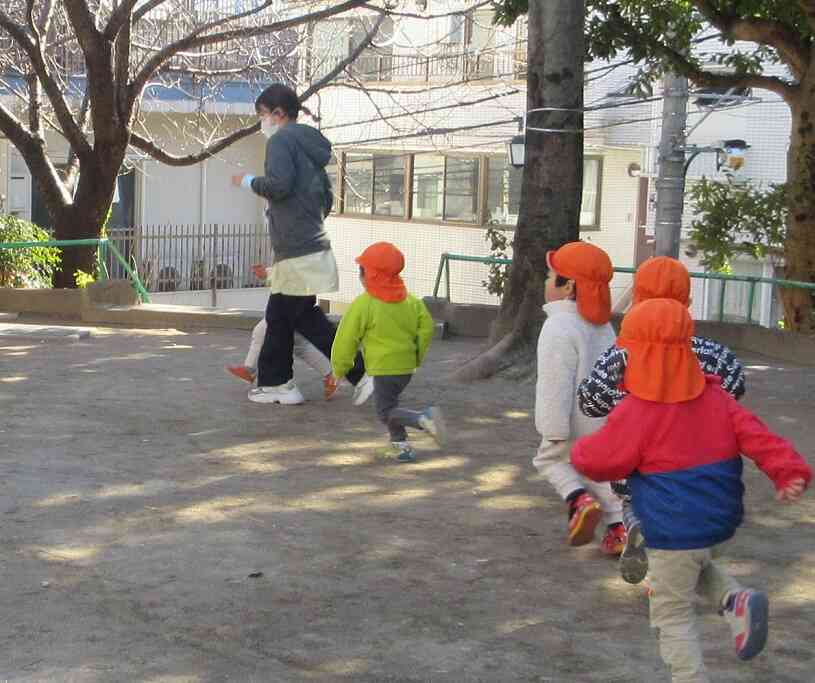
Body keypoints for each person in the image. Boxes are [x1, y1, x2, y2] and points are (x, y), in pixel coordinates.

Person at [571, 298, 811, 683]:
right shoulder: (717, 398)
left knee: (671, 612)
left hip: (671, 525)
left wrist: (579, 452)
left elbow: (602, 460)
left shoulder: (639, 410)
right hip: (718, 522)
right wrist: (788, 471)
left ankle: (689, 678)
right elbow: (758, 436)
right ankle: (735, 600)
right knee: (691, 564)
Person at [577, 256, 746, 583]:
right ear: (689, 302)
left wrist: (619, 398)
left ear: (637, 299)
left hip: (636, 468)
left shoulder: (620, 355)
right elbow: (735, 386)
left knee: (634, 502)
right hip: (696, 464)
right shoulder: (711, 353)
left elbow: (590, 401)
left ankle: (637, 526)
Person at [233, 83, 371, 406]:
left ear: (278, 114)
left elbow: (278, 186)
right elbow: (326, 199)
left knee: (295, 318)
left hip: (295, 249)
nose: (262, 122)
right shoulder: (311, 147)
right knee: (287, 317)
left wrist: (248, 182)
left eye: (263, 115)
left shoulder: (282, 141)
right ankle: (279, 384)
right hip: (310, 244)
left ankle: (357, 374)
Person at [533, 241, 625, 555]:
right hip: (605, 420)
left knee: (549, 460)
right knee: (598, 471)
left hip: (571, 419)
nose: (546, 282)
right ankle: (618, 527)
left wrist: (552, 428)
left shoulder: (557, 326)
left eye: (550, 276)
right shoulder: (603, 327)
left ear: (568, 286)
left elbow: (554, 383)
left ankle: (577, 500)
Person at [331, 242, 445, 462]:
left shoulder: (364, 304)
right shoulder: (411, 301)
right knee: (391, 405)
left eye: (361, 271)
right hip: (405, 369)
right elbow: (427, 328)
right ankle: (401, 447)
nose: (360, 276)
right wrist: (416, 356)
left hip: (383, 369)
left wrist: (339, 368)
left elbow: (346, 339)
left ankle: (423, 419)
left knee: (385, 412)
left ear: (370, 275)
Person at [225, 263, 339, 400]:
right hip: (297, 297)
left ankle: (250, 370)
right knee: (298, 344)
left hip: (290, 298)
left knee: (262, 331)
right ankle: (331, 375)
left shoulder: (294, 246)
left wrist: (268, 273)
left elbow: (292, 267)